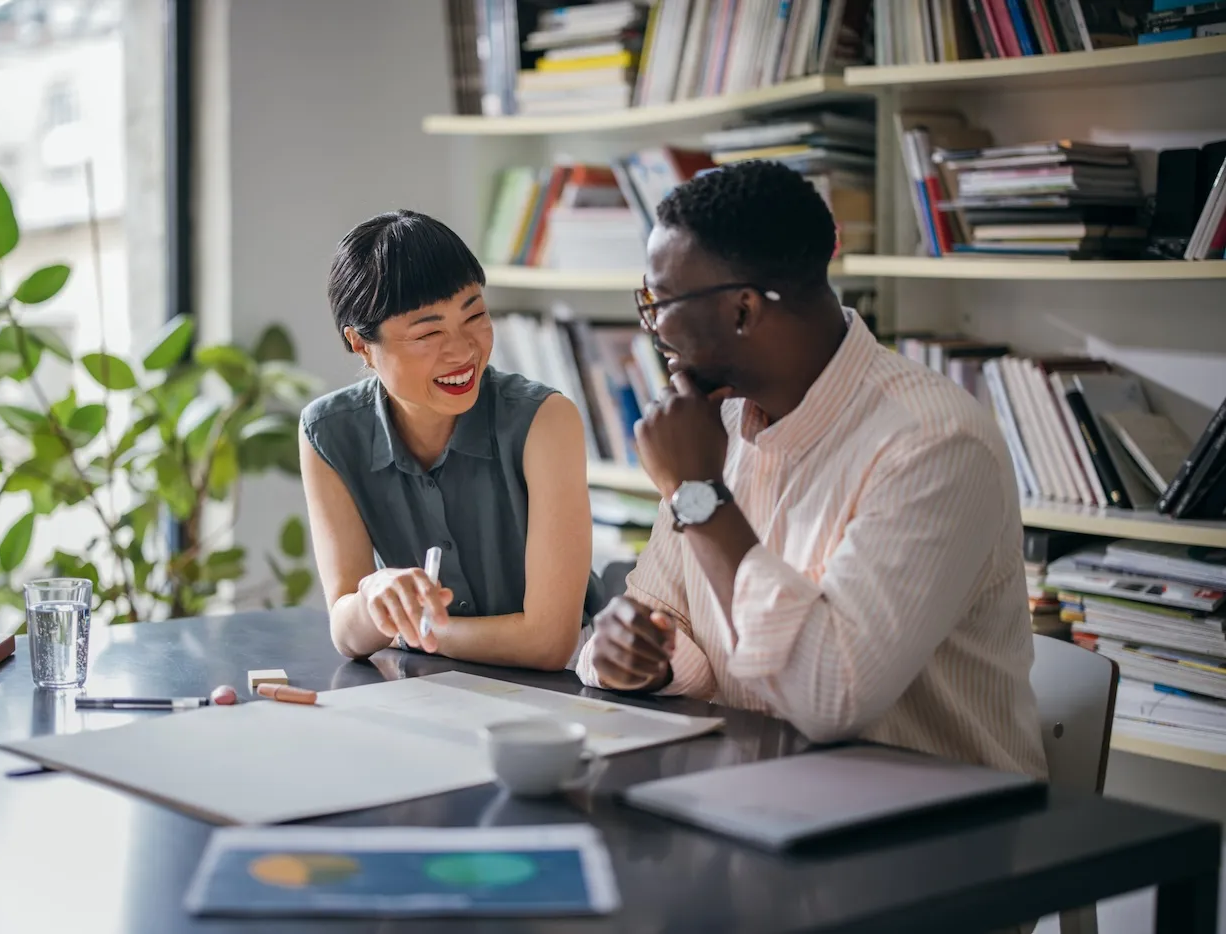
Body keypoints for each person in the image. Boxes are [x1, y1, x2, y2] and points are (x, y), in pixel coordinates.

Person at [575, 161, 1046, 777]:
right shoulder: (713, 424)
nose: (653, 330)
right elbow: (676, 623)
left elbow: (831, 696)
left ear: (743, 310)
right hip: (761, 789)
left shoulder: (933, 444)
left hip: (928, 825)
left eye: (660, 302)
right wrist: (644, 658)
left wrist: (698, 494)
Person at [300, 209, 603, 671]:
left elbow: (548, 643)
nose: (463, 351)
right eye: (428, 333)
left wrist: (409, 631)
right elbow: (346, 630)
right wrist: (371, 598)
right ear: (362, 345)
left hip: (568, 684)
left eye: (475, 315)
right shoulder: (328, 431)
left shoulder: (545, 420)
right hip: (431, 687)